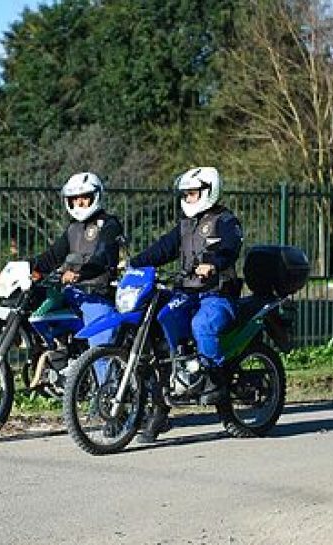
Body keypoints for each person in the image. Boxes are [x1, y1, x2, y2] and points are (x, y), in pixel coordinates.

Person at [127, 167, 243, 442]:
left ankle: (216, 381)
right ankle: (159, 409)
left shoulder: (226, 221)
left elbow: (229, 248)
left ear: (208, 191)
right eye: (186, 194)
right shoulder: (185, 225)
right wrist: (134, 263)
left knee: (201, 325)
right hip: (187, 293)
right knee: (159, 332)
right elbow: (162, 249)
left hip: (217, 294)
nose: (189, 198)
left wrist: (213, 264)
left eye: (193, 193)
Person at [30, 172, 123, 363]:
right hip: (71, 294)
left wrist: (79, 274)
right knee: (34, 310)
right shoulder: (73, 228)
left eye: (85, 198)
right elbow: (52, 256)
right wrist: (26, 266)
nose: (79, 203)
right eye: (75, 199)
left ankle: (106, 390)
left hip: (96, 296)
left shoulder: (109, 224)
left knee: (100, 352)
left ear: (95, 197)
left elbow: (102, 257)